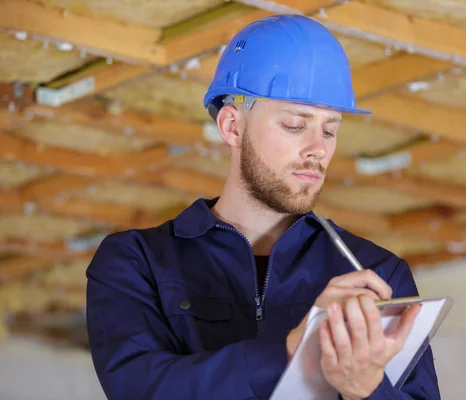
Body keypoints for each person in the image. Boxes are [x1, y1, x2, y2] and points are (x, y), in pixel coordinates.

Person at [85, 14, 441, 400]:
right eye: (294, 125)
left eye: (330, 129)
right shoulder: (137, 263)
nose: (318, 149)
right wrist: (293, 349)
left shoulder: (376, 275)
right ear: (232, 127)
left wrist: (366, 390)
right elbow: (141, 389)